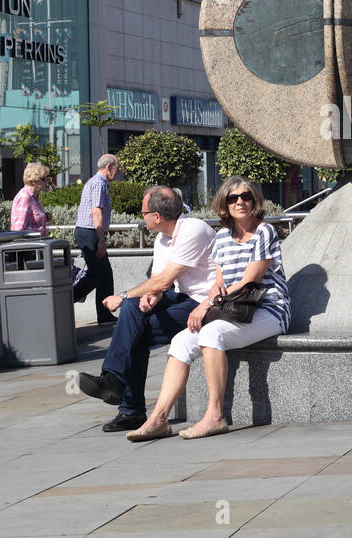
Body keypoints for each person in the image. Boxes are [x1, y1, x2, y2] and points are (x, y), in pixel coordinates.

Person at [126, 176, 291, 442]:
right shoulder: (222, 237)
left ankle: (215, 416)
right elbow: (220, 281)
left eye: (246, 196)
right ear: (224, 204)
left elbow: (250, 281)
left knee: (211, 334)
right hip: (234, 309)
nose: (240, 202)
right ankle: (158, 418)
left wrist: (204, 305)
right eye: (233, 198)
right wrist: (213, 292)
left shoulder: (264, 231)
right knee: (180, 341)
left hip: (269, 309)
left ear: (254, 200)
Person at [76, 185, 217, 432]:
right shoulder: (163, 237)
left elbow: (164, 280)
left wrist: (123, 295)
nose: (141, 216)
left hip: (206, 304)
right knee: (134, 310)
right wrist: (149, 296)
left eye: (143, 213)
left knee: (134, 325)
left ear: (157, 216)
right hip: (182, 297)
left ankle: (126, 403)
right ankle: (114, 384)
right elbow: (158, 281)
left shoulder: (193, 230)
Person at [74, 155, 121, 324]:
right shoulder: (99, 183)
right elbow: (96, 212)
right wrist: (101, 239)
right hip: (90, 233)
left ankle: (104, 314)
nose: (119, 170)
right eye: (118, 167)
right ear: (109, 167)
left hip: (90, 232)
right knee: (98, 274)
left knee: (104, 274)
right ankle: (67, 299)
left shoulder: (98, 182)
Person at [10, 162, 52, 237]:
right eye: (44, 179)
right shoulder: (24, 197)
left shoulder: (34, 196)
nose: (46, 182)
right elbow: (18, 230)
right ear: (33, 182)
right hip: (29, 246)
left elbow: (31, 219)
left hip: (37, 245)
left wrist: (45, 216)